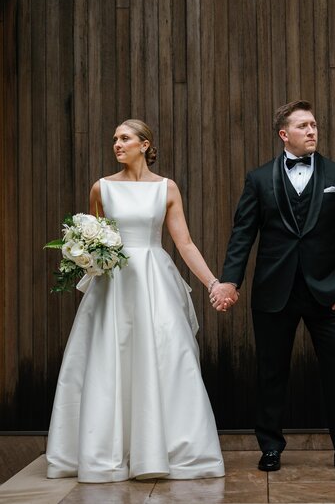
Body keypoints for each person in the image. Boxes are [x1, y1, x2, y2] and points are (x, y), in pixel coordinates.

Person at [46, 119, 225, 482]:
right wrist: (85, 257)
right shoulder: (101, 188)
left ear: (145, 144)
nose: (117, 144)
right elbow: (93, 237)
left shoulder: (166, 189)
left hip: (153, 279)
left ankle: (170, 450)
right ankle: (105, 452)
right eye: (114, 139)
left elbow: (184, 243)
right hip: (113, 284)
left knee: (166, 358)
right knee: (107, 360)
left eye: (125, 138)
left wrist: (212, 283)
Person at [210, 100, 335, 473]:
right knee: (270, 371)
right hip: (273, 290)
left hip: (330, 292)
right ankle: (270, 447)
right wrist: (230, 280)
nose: (312, 131)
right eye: (303, 126)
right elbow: (242, 235)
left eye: (314, 125)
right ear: (285, 134)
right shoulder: (259, 178)